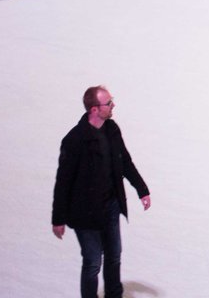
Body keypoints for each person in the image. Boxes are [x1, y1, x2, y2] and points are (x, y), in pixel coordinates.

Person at [52, 85, 151, 298]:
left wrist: (142, 189)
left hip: (110, 207)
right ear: (94, 109)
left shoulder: (112, 130)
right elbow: (63, 182)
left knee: (114, 256)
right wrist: (58, 219)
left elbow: (125, 162)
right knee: (93, 262)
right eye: (109, 103)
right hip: (85, 214)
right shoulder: (74, 140)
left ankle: (114, 295)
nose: (113, 105)